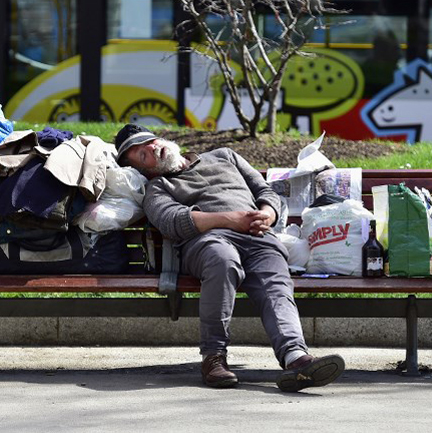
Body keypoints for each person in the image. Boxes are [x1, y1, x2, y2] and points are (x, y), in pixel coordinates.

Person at [115, 123, 345, 392]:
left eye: (150, 142)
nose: (152, 149)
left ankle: (296, 358)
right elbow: (172, 221)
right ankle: (213, 358)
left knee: (274, 280)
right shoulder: (158, 189)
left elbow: (266, 191)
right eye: (143, 155)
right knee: (222, 260)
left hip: (258, 236)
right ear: (145, 170)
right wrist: (230, 220)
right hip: (208, 241)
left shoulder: (224, 155)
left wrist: (268, 214)